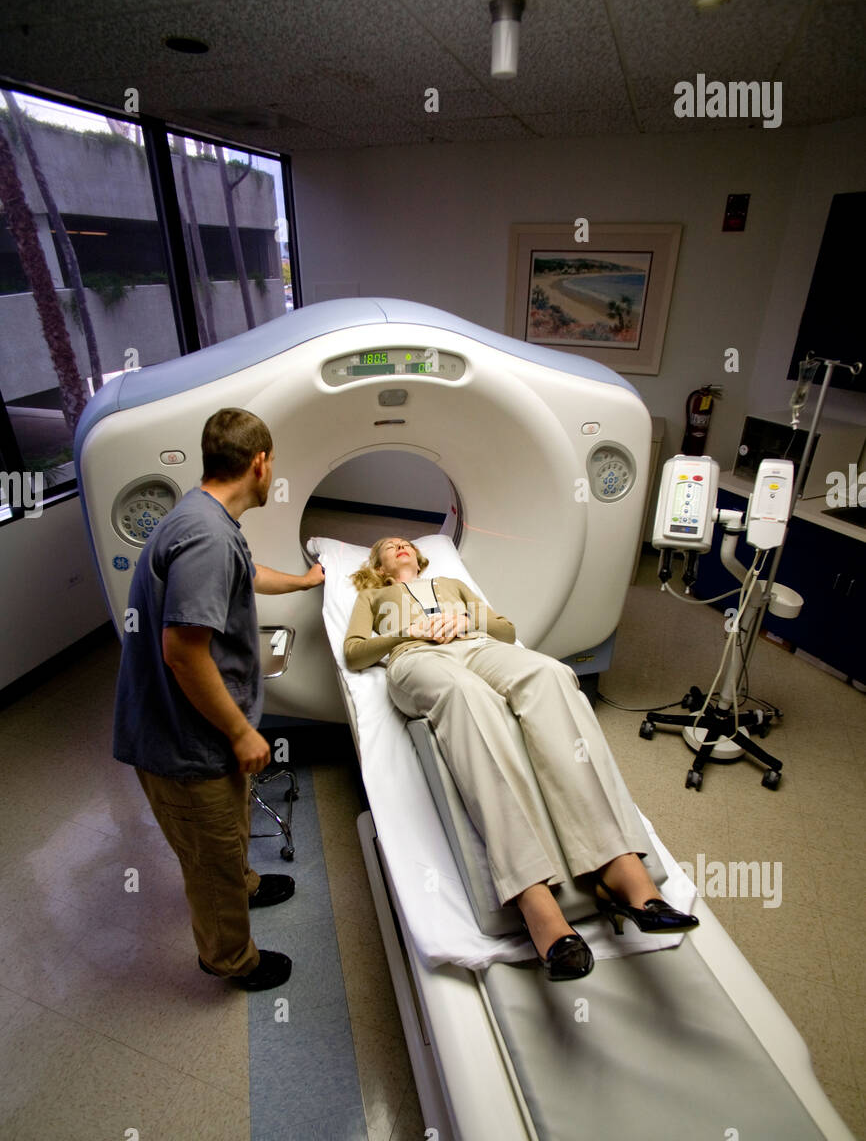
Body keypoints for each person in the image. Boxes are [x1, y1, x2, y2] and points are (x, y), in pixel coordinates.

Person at [343, 535, 698, 981]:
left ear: (419, 556)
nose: (400, 545)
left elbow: (506, 631)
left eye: (406, 543)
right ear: (376, 562)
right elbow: (355, 653)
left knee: (550, 673)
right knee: (468, 697)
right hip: (415, 658)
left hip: (477, 646)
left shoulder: (451, 582)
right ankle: (535, 901)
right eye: (389, 545)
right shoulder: (374, 596)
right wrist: (406, 632)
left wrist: (465, 617)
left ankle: (618, 866)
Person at [113, 407, 324, 991]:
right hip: (182, 739)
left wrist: (304, 582)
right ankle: (228, 959)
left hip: (195, 728)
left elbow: (246, 571)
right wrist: (240, 731)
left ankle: (247, 887)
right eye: (272, 465)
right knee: (209, 857)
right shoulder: (205, 535)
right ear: (260, 463)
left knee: (226, 832)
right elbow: (183, 651)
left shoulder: (205, 515)